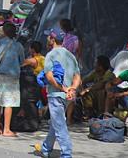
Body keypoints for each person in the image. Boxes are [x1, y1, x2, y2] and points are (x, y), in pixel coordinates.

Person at [34, 27, 81, 158]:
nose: (47, 39)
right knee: (56, 122)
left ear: (53, 39)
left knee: (60, 125)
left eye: (49, 36)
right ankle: (45, 148)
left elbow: (49, 76)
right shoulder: (70, 55)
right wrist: (72, 89)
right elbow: (78, 77)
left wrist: (64, 88)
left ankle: (66, 153)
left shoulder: (51, 55)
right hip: (68, 96)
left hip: (56, 95)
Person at [0, 22, 25, 137]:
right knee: (9, 102)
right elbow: (22, 61)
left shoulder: (0, 43)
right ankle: (6, 129)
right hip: (12, 76)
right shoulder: (18, 46)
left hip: (0, 74)